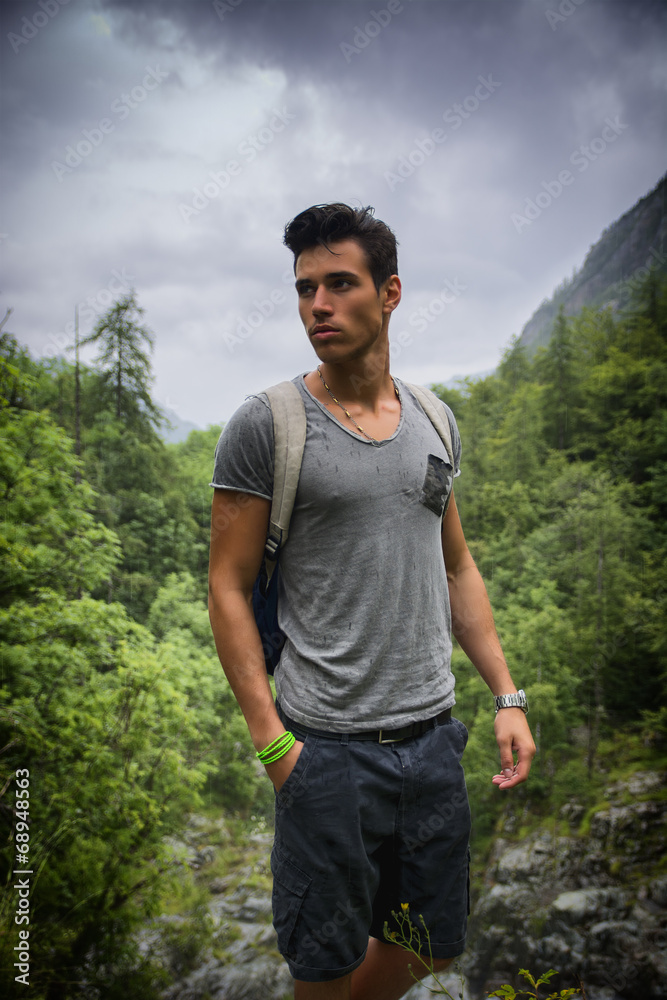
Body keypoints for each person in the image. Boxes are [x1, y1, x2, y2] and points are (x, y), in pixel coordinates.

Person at [208, 203, 536, 1000]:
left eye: (339, 284)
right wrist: (273, 748)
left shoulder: (433, 419)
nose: (317, 304)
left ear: (389, 293)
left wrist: (506, 695)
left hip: (430, 743)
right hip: (324, 750)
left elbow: (455, 565)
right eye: (304, 288)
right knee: (321, 966)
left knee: (433, 944)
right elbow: (226, 583)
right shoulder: (267, 425)